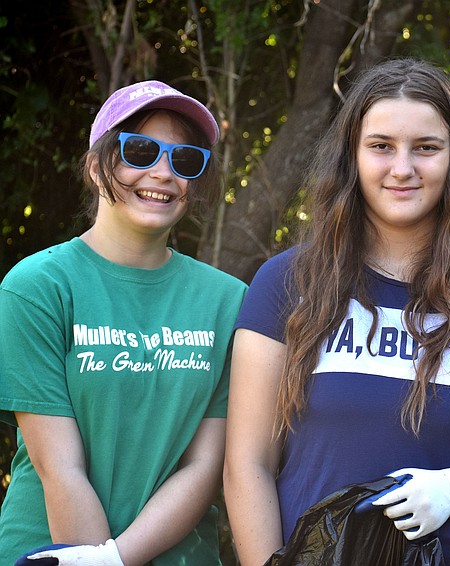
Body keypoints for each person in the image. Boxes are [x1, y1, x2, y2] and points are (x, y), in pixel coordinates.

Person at [223, 58, 450, 566]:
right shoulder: (287, 284)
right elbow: (247, 464)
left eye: (426, 148)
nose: (403, 168)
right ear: (353, 154)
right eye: (381, 146)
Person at [0, 80, 247, 565]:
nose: (163, 173)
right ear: (96, 166)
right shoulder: (37, 286)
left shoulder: (229, 301)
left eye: (185, 160)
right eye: (139, 151)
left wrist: (117, 558)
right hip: (53, 552)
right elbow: (60, 468)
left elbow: (203, 466)